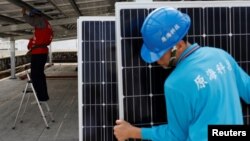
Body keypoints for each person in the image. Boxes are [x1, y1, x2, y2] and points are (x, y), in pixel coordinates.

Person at [113, 7, 250, 141]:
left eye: (160, 55)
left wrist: (133, 132)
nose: (157, 61)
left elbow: (176, 135)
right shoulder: (220, 55)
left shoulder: (175, 83)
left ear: (178, 46)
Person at [22, 8, 53, 101]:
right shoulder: (46, 25)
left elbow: (31, 21)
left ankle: (40, 96)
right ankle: (43, 96)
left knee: (35, 75)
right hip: (41, 51)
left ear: (35, 15)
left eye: (33, 16)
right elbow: (40, 41)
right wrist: (31, 49)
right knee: (39, 74)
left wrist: (24, 14)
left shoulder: (40, 20)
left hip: (39, 53)